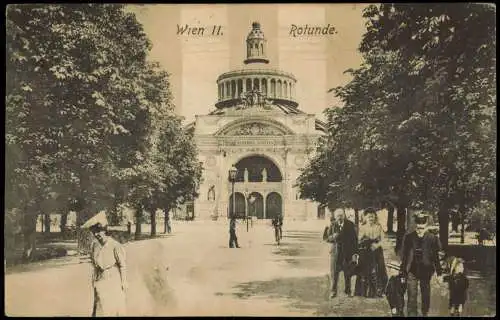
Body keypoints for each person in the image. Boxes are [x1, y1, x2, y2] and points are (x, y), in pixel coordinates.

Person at [82, 211, 127, 317]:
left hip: (113, 280)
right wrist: (94, 280)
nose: (97, 235)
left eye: (99, 231)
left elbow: (122, 265)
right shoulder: (95, 246)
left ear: (105, 230)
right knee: (100, 309)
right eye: (94, 233)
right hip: (100, 281)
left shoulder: (115, 245)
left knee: (113, 308)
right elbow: (94, 264)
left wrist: (124, 282)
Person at [399, 212, 444, 317]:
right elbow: (405, 257)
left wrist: (439, 273)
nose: (420, 230)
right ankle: (411, 314)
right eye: (418, 228)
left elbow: (436, 257)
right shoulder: (409, 237)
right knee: (411, 294)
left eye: (422, 228)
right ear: (415, 225)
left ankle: (425, 313)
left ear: (426, 226)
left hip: (426, 270)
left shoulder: (432, 238)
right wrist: (402, 273)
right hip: (412, 270)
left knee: (425, 294)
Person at [355, 208, 388, 298]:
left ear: (375, 217)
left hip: (377, 251)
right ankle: (364, 292)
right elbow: (359, 240)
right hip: (366, 251)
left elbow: (383, 239)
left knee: (380, 269)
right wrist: (363, 240)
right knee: (365, 270)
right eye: (369, 217)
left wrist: (377, 245)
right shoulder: (362, 227)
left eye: (372, 217)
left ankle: (381, 290)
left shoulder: (378, 226)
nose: (371, 219)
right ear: (365, 218)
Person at [325, 210, 358, 298]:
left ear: (344, 216)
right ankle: (333, 291)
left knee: (348, 273)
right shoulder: (332, 224)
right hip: (335, 253)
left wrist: (355, 254)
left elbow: (355, 240)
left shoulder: (350, 225)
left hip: (347, 253)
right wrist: (333, 237)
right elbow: (326, 238)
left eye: (341, 215)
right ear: (335, 217)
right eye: (338, 216)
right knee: (334, 273)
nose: (340, 217)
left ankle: (348, 291)